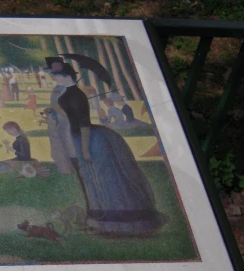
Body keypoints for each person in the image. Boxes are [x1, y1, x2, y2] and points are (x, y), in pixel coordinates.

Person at [48, 58, 167, 235]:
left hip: (88, 138)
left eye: (57, 76)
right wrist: (59, 110)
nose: (54, 78)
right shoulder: (67, 94)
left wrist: (86, 148)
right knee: (92, 180)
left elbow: (84, 122)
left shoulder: (76, 95)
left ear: (66, 76)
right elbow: (72, 117)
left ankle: (118, 223)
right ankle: (99, 222)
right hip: (77, 136)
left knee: (104, 179)